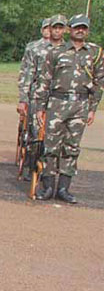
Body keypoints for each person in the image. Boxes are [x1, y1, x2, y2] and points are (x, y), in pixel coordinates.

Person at [31, 14, 102, 203]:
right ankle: (47, 187)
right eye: (77, 27)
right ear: (69, 29)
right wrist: (40, 107)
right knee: (51, 146)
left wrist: (93, 108)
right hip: (56, 103)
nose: (80, 30)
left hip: (80, 104)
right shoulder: (56, 51)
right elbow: (44, 80)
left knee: (71, 147)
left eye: (84, 28)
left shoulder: (95, 53)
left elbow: (99, 82)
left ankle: (64, 188)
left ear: (87, 31)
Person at [17, 16, 58, 180]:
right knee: (34, 132)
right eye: (47, 28)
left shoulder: (64, 48)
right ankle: (31, 166)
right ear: (42, 30)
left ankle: (48, 169)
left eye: (52, 27)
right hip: (36, 94)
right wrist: (23, 98)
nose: (49, 31)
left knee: (52, 134)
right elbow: (26, 73)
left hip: (55, 96)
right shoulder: (34, 48)